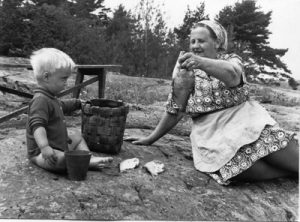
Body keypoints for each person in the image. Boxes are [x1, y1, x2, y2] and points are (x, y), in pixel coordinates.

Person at [125, 20, 299, 185]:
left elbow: (232, 75)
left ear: (217, 43)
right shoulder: (186, 71)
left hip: (246, 120)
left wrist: (200, 62)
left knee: (273, 144)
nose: (194, 46)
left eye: (201, 41)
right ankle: (289, 173)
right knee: (234, 169)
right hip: (211, 132)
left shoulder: (231, 59)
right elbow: (176, 110)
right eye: (192, 41)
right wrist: (150, 138)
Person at [26, 48, 113, 173]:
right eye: (63, 78)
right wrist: (44, 147)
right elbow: (37, 126)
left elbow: (61, 106)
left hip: (60, 145)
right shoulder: (40, 100)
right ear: (46, 77)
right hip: (43, 153)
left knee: (77, 138)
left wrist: (77, 103)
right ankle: (84, 162)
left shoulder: (50, 97)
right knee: (60, 160)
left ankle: (88, 158)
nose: (66, 83)